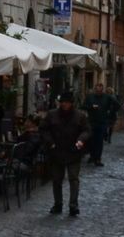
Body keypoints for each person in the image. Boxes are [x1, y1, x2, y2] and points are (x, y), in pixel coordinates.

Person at [38, 89, 92, 217]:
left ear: (72, 104)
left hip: (73, 152)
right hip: (56, 151)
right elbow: (43, 129)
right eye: (63, 102)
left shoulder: (80, 116)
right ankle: (58, 204)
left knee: (73, 179)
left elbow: (87, 130)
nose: (65, 105)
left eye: (67, 103)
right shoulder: (52, 115)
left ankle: (73, 205)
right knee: (57, 179)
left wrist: (81, 140)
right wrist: (50, 142)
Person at [83, 85, 119, 166]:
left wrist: (110, 112)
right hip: (91, 122)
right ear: (95, 90)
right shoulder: (90, 97)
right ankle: (92, 156)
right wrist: (91, 107)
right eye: (97, 90)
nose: (99, 91)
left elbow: (117, 105)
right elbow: (83, 106)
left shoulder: (107, 97)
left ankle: (98, 159)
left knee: (99, 141)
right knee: (91, 140)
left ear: (102, 90)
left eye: (100, 90)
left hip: (102, 122)